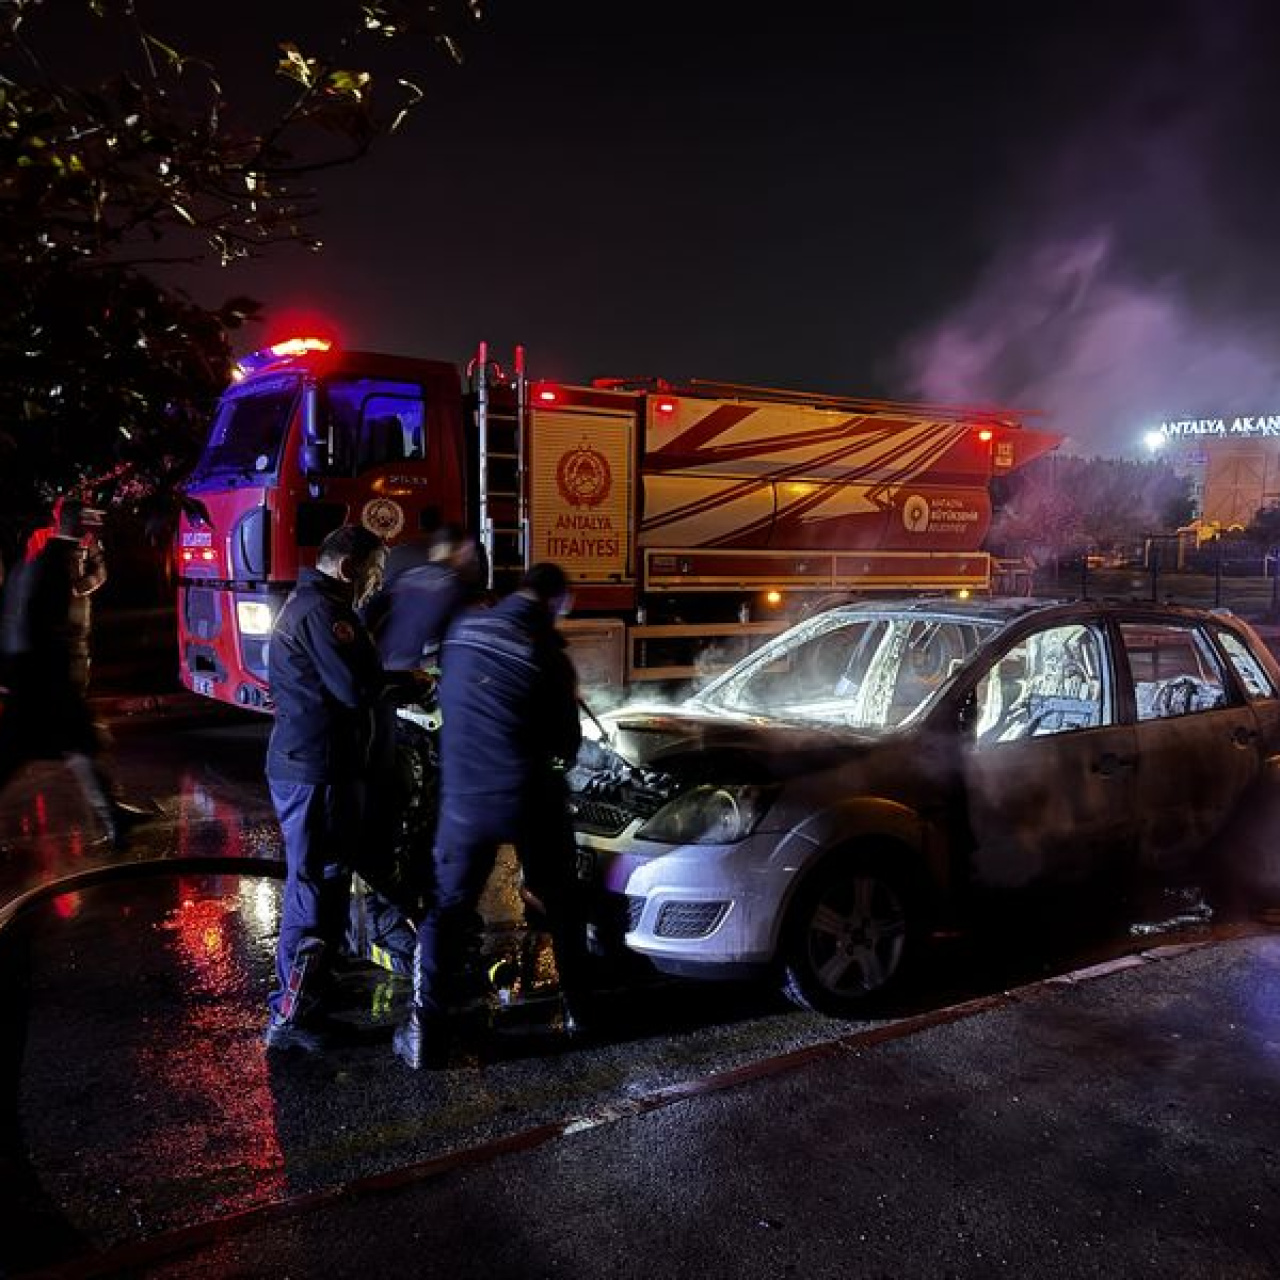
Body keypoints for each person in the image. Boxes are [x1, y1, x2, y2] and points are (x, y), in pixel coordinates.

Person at [393, 561, 588, 1070]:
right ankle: (581, 1013)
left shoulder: (462, 630)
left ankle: (424, 1037)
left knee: (446, 911)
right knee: (562, 901)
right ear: (555, 603)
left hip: (464, 801)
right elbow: (566, 744)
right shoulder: (548, 653)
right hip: (528, 799)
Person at [263, 523, 390, 1053]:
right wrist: (397, 681)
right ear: (348, 568)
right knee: (315, 886)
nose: (377, 584)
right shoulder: (326, 613)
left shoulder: (313, 605)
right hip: (317, 770)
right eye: (374, 572)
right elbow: (354, 688)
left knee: (324, 882)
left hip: (313, 765)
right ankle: (293, 1015)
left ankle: (313, 992)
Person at [0, 498, 138, 847]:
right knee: (23, 751)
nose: (92, 529)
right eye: (88, 523)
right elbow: (38, 625)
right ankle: (113, 817)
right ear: (77, 525)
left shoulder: (49, 560)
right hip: (41, 679)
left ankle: (113, 817)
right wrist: (47, 676)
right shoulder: (51, 563)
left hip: (39, 676)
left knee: (80, 745)